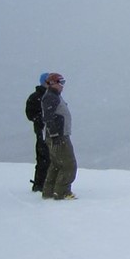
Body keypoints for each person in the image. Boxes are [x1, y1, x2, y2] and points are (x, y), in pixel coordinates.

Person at [40, 72, 78, 200]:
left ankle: (49, 191)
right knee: (68, 165)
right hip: (59, 137)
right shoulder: (51, 97)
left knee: (57, 164)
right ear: (52, 83)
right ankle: (62, 192)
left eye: (63, 83)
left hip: (57, 136)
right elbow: (48, 117)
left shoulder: (53, 96)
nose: (62, 86)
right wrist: (55, 134)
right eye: (60, 83)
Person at [24, 72, 50, 192]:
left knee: (49, 158)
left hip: (50, 131)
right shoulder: (36, 97)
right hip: (43, 132)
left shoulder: (51, 96)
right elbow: (30, 114)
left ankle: (46, 183)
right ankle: (40, 184)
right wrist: (42, 118)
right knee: (44, 158)